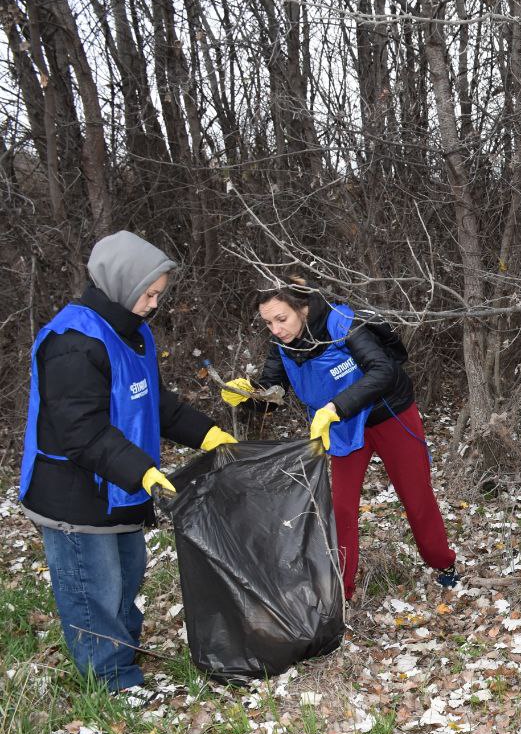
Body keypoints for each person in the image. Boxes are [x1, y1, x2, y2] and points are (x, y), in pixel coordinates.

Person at [21, 231, 238, 698]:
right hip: (76, 496)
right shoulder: (72, 342)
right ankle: (111, 682)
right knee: (93, 591)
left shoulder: (134, 332)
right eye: (150, 293)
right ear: (122, 283)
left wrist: (208, 434)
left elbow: (157, 404)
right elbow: (82, 432)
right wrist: (141, 470)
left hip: (120, 487)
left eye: (159, 294)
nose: (155, 304)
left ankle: (122, 655)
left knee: (127, 575)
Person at [221, 278, 457, 600]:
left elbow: (383, 370)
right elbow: (273, 393)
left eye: (281, 319)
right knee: (342, 509)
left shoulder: (342, 322)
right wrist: (248, 396)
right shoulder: (282, 344)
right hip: (343, 426)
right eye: (268, 323)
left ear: (303, 308)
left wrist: (335, 408)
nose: (275, 330)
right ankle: (341, 593)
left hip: (389, 414)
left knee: (416, 496)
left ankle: (443, 563)